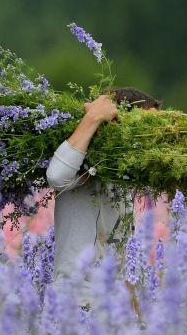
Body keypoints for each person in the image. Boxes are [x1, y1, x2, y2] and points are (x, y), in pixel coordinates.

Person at [45, 87, 161, 308]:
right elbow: (56, 176)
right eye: (146, 127)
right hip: (74, 304)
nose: (152, 139)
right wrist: (94, 117)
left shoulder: (123, 179)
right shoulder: (88, 169)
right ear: (116, 123)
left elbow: (121, 261)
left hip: (111, 310)